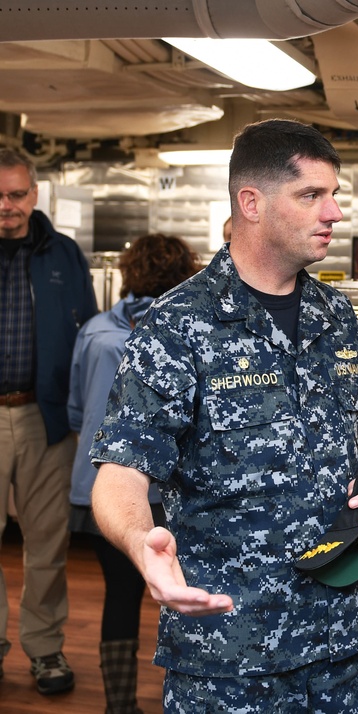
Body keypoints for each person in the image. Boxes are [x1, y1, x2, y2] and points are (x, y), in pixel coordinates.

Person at [89, 118, 358, 713]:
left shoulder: (335, 314)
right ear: (251, 202)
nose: (334, 212)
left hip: (346, 647)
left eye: (335, 194)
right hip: (233, 659)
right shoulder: (179, 325)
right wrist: (139, 543)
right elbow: (121, 473)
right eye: (312, 195)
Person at [68, 233, 201, 713]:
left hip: (99, 491)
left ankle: (119, 704)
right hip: (166, 495)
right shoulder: (187, 331)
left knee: (120, 597)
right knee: (185, 596)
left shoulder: (97, 330)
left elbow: (76, 411)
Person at [0, 147, 98, 694]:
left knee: (46, 544)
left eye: (16, 194)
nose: (6, 206)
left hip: (45, 418)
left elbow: (85, 339)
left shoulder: (62, 255)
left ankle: (45, 648)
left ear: (34, 194)